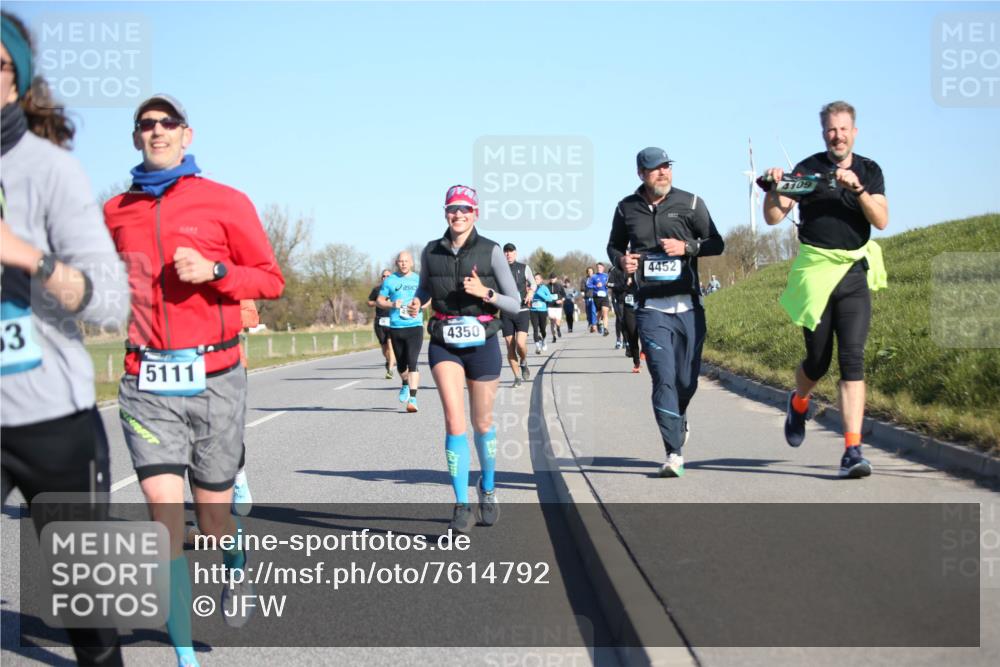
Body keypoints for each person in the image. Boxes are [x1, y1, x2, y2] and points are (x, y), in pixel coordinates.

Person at [104, 93, 285, 666]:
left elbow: (270, 280)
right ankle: (186, 657)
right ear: (136, 138)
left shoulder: (225, 202)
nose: (156, 131)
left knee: (211, 523)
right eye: (145, 124)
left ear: (188, 135)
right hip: (145, 381)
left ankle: (236, 571)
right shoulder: (114, 213)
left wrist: (216, 272)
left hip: (216, 377)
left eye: (167, 123)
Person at [0, 12, 129, 664]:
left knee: (89, 621)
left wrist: (28, 256)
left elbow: (110, 303)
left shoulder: (49, 171)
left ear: (17, 79)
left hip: (52, 419)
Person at [761, 100, 888, 479]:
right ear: (824, 133)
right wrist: (773, 185)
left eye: (844, 128)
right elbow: (773, 216)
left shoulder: (869, 170)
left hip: (852, 274)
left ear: (855, 131)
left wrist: (859, 190)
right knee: (817, 361)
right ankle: (799, 402)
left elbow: (881, 219)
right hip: (815, 274)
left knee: (852, 358)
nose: (838, 135)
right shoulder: (808, 170)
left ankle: (852, 449)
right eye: (832, 130)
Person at [409, 185, 521, 533]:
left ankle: (487, 488)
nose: (458, 215)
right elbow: (425, 287)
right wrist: (418, 301)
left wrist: (485, 293)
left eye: (465, 209)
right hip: (444, 340)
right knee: (454, 422)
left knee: (483, 423)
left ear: (476, 213)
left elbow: (515, 303)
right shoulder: (430, 251)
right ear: (445, 213)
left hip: (484, 340)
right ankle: (461, 504)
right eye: (452, 209)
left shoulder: (491, 251)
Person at [607, 147, 724, 477]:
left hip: (688, 306)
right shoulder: (625, 208)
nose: (663, 173)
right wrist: (621, 260)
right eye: (655, 169)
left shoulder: (690, 203)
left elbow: (717, 242)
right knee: (663, 378)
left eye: (666, 167)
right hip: (650, 309)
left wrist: (688, 247)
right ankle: (674, 453)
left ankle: (679, 415)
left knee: (686, 381)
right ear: (641, 174)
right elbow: (614, 245)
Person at [376, 250, 425, 412]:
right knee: (401, 365)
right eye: (400, 261)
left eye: (406, 261)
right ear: (397, 263)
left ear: (411, 262)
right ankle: (404, 383)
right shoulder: (390, 280)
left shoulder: (419, 279)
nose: (403, 263)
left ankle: (413, 398)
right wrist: (391, 305)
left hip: (415, 326)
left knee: (413, 362)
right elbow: (379, 300)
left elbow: (428, 298)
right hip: (396, 327)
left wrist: (420, 305)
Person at [499, 242, 535, 388]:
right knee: (510, 346)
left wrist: (531, 293)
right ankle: (517, 377)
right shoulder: (499, 269)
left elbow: (533, 283)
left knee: (520, 343)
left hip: (522, 310)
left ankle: (524, 361)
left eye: (511, 251)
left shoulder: (524, 267)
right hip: (506, 311)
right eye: (506, 251)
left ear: (516, 253)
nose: (508, 254)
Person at [367, 269, 396, 379]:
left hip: (392, 320)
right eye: (384, 276)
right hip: (380, 321)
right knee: (384, 349)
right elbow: (369, 302)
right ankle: (389, 361)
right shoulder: (377, 289)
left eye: (388, 276)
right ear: (381, 278)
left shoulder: (395, 289)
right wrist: (377, 302)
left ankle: (390, 370)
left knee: (391, 345)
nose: (385, 278)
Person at [529, 272, 556, 354]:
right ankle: (537, 347)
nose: (535, 280)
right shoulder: (531, 288)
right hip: (533, 311)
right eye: (534, 279)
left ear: (541, 280)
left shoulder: (544, 288)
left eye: (537, 279)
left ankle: (544, 340)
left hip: (542, 311)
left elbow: (550, 299)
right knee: (535, 329)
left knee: (542, 329)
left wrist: (540, 295)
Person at [587, 262, 611, 336]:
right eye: (598, 268)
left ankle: (606, 329)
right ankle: (597, 322)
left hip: (604, 297)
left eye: (600, 267)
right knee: (599, 313)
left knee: (605, 312)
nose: (599, 269)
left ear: (603, 268)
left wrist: (607, 285)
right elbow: (588, 285)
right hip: (596, 297)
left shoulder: (606, 276)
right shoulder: (593, 277)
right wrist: (595, 286)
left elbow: (610, 284)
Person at [546, 274, 566, 343]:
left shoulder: (560, 285)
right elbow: (545, 295)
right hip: (550, 305)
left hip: (558, 305)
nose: (552, 279)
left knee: (557, 320)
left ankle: (558, 328)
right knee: (552, 320)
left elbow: (564, 295)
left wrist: (561, 300)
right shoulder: (547, 286)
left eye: (553, 278)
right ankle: (554, 336)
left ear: (556, 278)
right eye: (551, 278)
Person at [581, 266, 597, 332]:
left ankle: (594, 324)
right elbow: (582, 288)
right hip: (587, 297)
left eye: (591, 271)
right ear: (587, 272)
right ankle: (590, 323)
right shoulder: (584, 279)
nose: (590, 272)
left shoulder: (596, 278)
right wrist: (583, 295)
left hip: (595, 297)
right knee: (588, 312)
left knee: (593, 311)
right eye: (588, 271)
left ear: (593, 272)